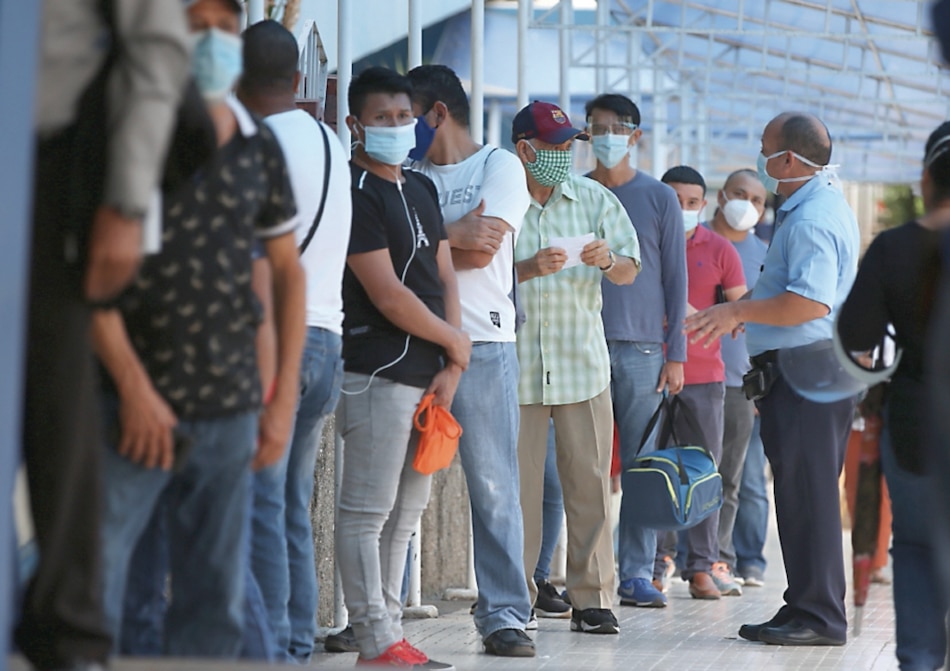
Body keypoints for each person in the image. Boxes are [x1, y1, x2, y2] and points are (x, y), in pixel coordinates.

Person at [94, 0, 306, 656]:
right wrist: (134, 390)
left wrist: (280, 399)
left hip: (227, 409)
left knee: (214, 602)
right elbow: (88, 277)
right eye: (196, 25)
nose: (212, 40)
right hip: (127, 410)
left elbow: (284, 274)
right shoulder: (123, 131)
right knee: (100, 585)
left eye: (223, 27)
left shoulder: (257, 147)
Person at [20, 3, 190, 669]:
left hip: (48, 160)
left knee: (56, 410)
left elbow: (156, 47)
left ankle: (70, 633)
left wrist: (125, 200)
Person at [685, 112, 859, 646]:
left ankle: (821, 616)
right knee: (798, 493)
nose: (759, 157)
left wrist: (737, 312)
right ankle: (803, 603)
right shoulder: (811, 204)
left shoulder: (812, 219)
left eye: (765, 149)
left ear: (786, 159)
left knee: (810, 495)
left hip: (808, 370)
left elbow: (809, 302)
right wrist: (748, 315)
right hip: (803, 369)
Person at [335, 66, 469, 670]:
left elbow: (444, 276)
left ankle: (391, 635)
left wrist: (453, 358)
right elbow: (387, 294)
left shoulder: (420, 187)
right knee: (367, 511)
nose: (396, 127)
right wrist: (456, 343)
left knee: (407, 513)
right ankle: (373, 636)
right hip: (377, 371)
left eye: (403, 116)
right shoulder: (354, 191)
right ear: (355, 124)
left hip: (431, 372)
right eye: (382, 118)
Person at [406, 64, 535, 658]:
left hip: (483, 345)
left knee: (493, 487)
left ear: (437, 113)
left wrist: (428, 239)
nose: (399, 128)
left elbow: (482, 254)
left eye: (407, 116)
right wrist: (451, 233)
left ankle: (504, 613)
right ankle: (376, 612)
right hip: (412, 343)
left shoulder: (497, 166)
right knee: (395, 490)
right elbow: (386, 257)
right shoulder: (409, 174)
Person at [237, 20, 351, 663]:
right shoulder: (329, 141)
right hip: (328, 340)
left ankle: (272, 650)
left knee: (259, 502)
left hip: (277, 340)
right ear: (298, 77)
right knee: (289, 506)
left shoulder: (257, 144)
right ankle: (296, 641)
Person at [512, 100, 640, 635]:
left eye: (569, 146)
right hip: (517, 368)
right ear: (525, 149)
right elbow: (471, 271)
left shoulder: (595, 199)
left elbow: (629, 270)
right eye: (554, 146)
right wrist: (526, 268)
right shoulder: (502, 201)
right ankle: (512, 599)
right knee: (516, 492)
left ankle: (592, 599)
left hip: (582, 366)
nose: (565, 155)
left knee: (589, 486)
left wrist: (608, 260)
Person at [838, 121, 950, 670]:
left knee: (916, 545)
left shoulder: (895, 247)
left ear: (926, 179)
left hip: (916, 422)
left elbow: (857, 336)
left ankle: (920, 659)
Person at [584, 93, 688, 609]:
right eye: (597, 127)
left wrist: (676, 354)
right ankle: (580, 573)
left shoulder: (659, 197)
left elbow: (675, 278)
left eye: (616, 128)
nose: (606, 137)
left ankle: (636, 574)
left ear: (635, 136)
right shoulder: (575, 191)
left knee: (642, 467)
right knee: (582, 463)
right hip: (582, 344)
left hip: (645, 349)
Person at [657, 166, 746, 600]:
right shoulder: (641, 244)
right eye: (674, 201)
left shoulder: (720, 249)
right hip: (650, 372)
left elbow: (740, 312)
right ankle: (655, 562)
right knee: (653, 470)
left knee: (703, 474)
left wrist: (700, 317)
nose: (683, 209)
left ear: (704, 205)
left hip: (705, 377)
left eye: (691, 203)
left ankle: (701, 565)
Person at [704, 168, 769, 592]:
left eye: (757, 200)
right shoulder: (694, 241)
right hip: (693, 375)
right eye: (740, 194)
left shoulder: (766, 254)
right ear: (722, 196)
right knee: (688, 471)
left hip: (743, 383)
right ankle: (677, 556)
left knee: (745, 479)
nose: (747, 204)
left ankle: (743, 560)